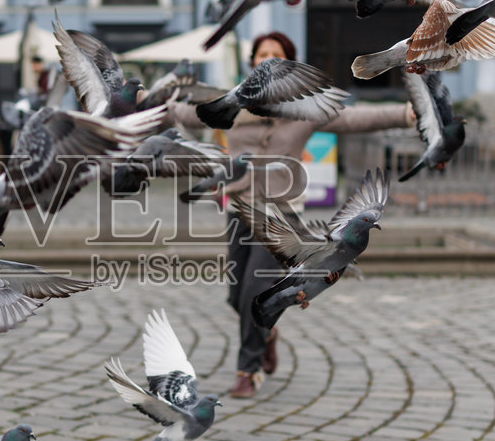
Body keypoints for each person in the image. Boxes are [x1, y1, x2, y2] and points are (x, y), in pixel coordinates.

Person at [172, 31, 414, 399]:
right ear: (251, 62)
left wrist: (405, 113)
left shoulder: (305, 111)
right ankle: (268, 331)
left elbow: (353, 119)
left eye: (276, 55)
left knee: (256, 286)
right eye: (261, 54)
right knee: (236, 297)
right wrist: (145, 101)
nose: (266, 60)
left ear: (289, 69)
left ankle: (247, 371)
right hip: (241, 212)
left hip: (284, 217)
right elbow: (187, 113)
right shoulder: (232, 108)